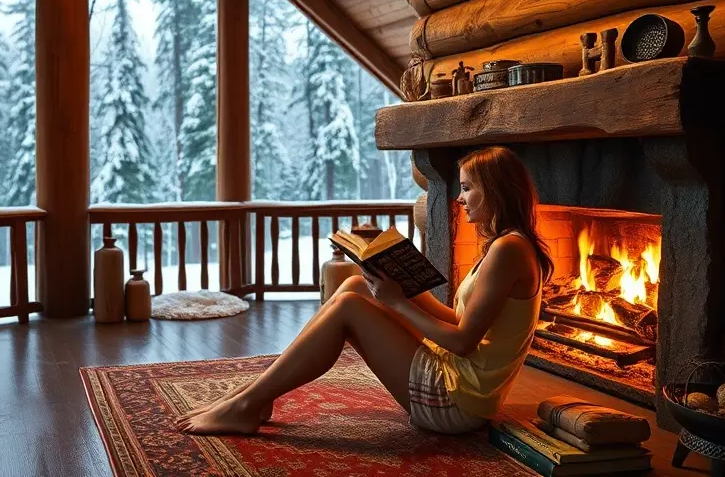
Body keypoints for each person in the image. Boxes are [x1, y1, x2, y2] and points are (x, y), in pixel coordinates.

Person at [176, 146, 554, 435]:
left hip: (458, 402)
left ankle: (249, 401)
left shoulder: (509, 250)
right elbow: (461, 321)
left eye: (468, 188)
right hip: (462, 382)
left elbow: (463, 342)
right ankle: (256, 394)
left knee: (351, 308)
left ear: (494, 190)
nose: (459, 198)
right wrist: (401, 291)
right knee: (357, 284)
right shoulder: (507, 245)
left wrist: (397, 304)